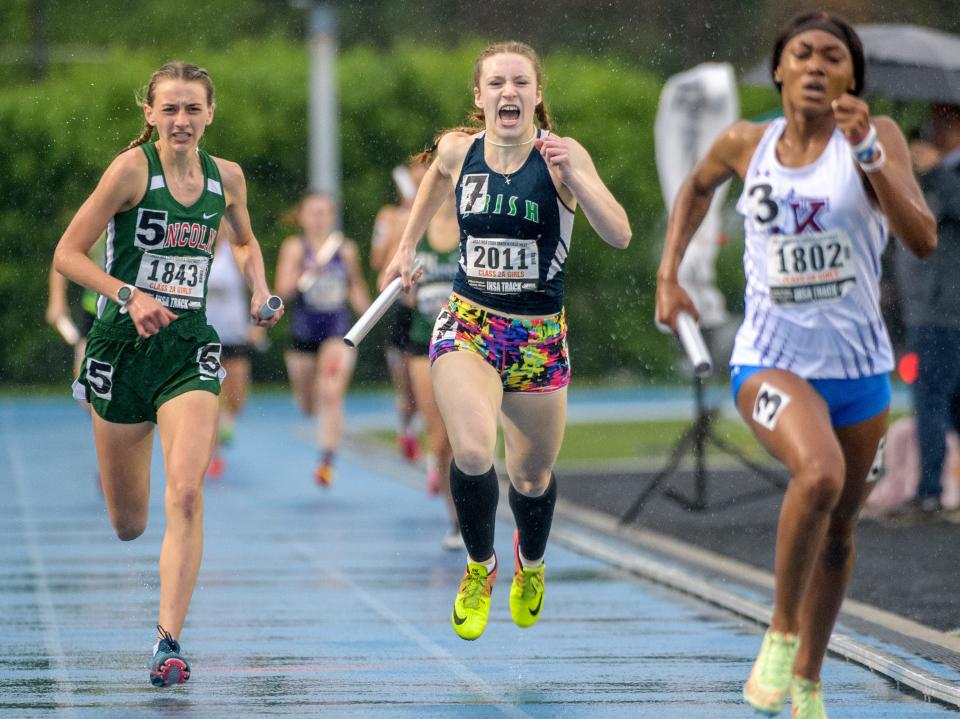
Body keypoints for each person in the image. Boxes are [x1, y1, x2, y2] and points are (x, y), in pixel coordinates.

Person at [655, 13, 935, 718]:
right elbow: (694, 187)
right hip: (770, 360)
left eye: (832, 57)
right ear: (779, 70)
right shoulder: (746, 143)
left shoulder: (875, 141)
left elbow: (921, 237)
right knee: (817, 474)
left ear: (850, 79)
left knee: (839, 528)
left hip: (860, 370)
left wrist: (870, 152)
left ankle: (807, 679)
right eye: (801, 54)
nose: (815, 65)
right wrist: (669, 274)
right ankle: (781, 630)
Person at [382, 41, 631, 641]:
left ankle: (532, 563)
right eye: (496, 83)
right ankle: (479, 565)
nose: (508, 93)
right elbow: (436, 181)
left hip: (538, 337)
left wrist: (576, 178)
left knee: (531, 478)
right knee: (470, 451)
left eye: (520, 82)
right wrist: (406, 246)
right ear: (479, 97)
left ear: (537, 95)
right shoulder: (457, 149)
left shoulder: (562, 158)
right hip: (469, 323)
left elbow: (619, 234)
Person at [53, 61, 283, 687]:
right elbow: (67, 254)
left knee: (186, 490)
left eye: (193, 109)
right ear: (150, 114)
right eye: (170, 109)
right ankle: (127, 472)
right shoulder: (131, 171)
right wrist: (129, 294)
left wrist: (261, 287)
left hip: (188, 348)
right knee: (130, 524)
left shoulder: (226, 178)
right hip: (121, 350)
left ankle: (168, 642)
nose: (182, 120)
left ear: (210, 114)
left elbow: (244, 239)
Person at [274, 191, 370, 487]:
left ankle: (327, 461)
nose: (319, 218)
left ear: (332, 216)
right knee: (307, 404)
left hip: (336, 331)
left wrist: (368, 314)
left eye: (325, 212)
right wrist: (307, 272)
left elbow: (355, 286)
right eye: (313, 212)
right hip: (303, 333)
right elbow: (283, 291)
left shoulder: (345, 249)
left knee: (331, 392)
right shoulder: (295, 248)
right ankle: (313, 405)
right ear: (302, 216)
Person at [894, 103, 960, 520]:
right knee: (946, 402)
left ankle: (931, 490)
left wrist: (938, 172)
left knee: (932, 399)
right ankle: (937, 487)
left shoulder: (947, 176)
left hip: (945, 310)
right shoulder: (931, 177)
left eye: (946, 121)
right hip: (926, 307)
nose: (935, 129)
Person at [402, 176, 463, 551]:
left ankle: (475, 512)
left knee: (468, 439)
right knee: (440, 440)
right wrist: (405, 284)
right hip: (423, 344)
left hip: (469, 343)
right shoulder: (415, 228)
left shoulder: (475, 227)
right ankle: (456, 520)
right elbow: (390, 279)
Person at [371, 164, 427, 463]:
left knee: (433, 390)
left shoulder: (443, 214)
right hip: (402, 309)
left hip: (433, 310)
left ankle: (438, 458)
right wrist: (405, 229)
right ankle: (407, 425)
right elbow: (377, 259)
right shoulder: (389, 217)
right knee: (408, 391)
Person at [204, 220, 265, 478]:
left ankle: (227, 422)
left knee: (237, 397)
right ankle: (213, 453)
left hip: (235, 333)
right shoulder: (193, 252)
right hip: (205, 335)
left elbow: (255, 285)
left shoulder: (232, 252)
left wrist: (257, 324)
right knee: (210, 397)